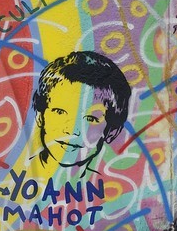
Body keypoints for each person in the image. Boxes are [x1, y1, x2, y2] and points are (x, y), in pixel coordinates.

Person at [28, 50, 131, 178]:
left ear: (112, 131)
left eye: (90, 118)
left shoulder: (111, 187)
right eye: (59, 112)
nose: (72, 130)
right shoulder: (15, 180)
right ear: (40, 114)